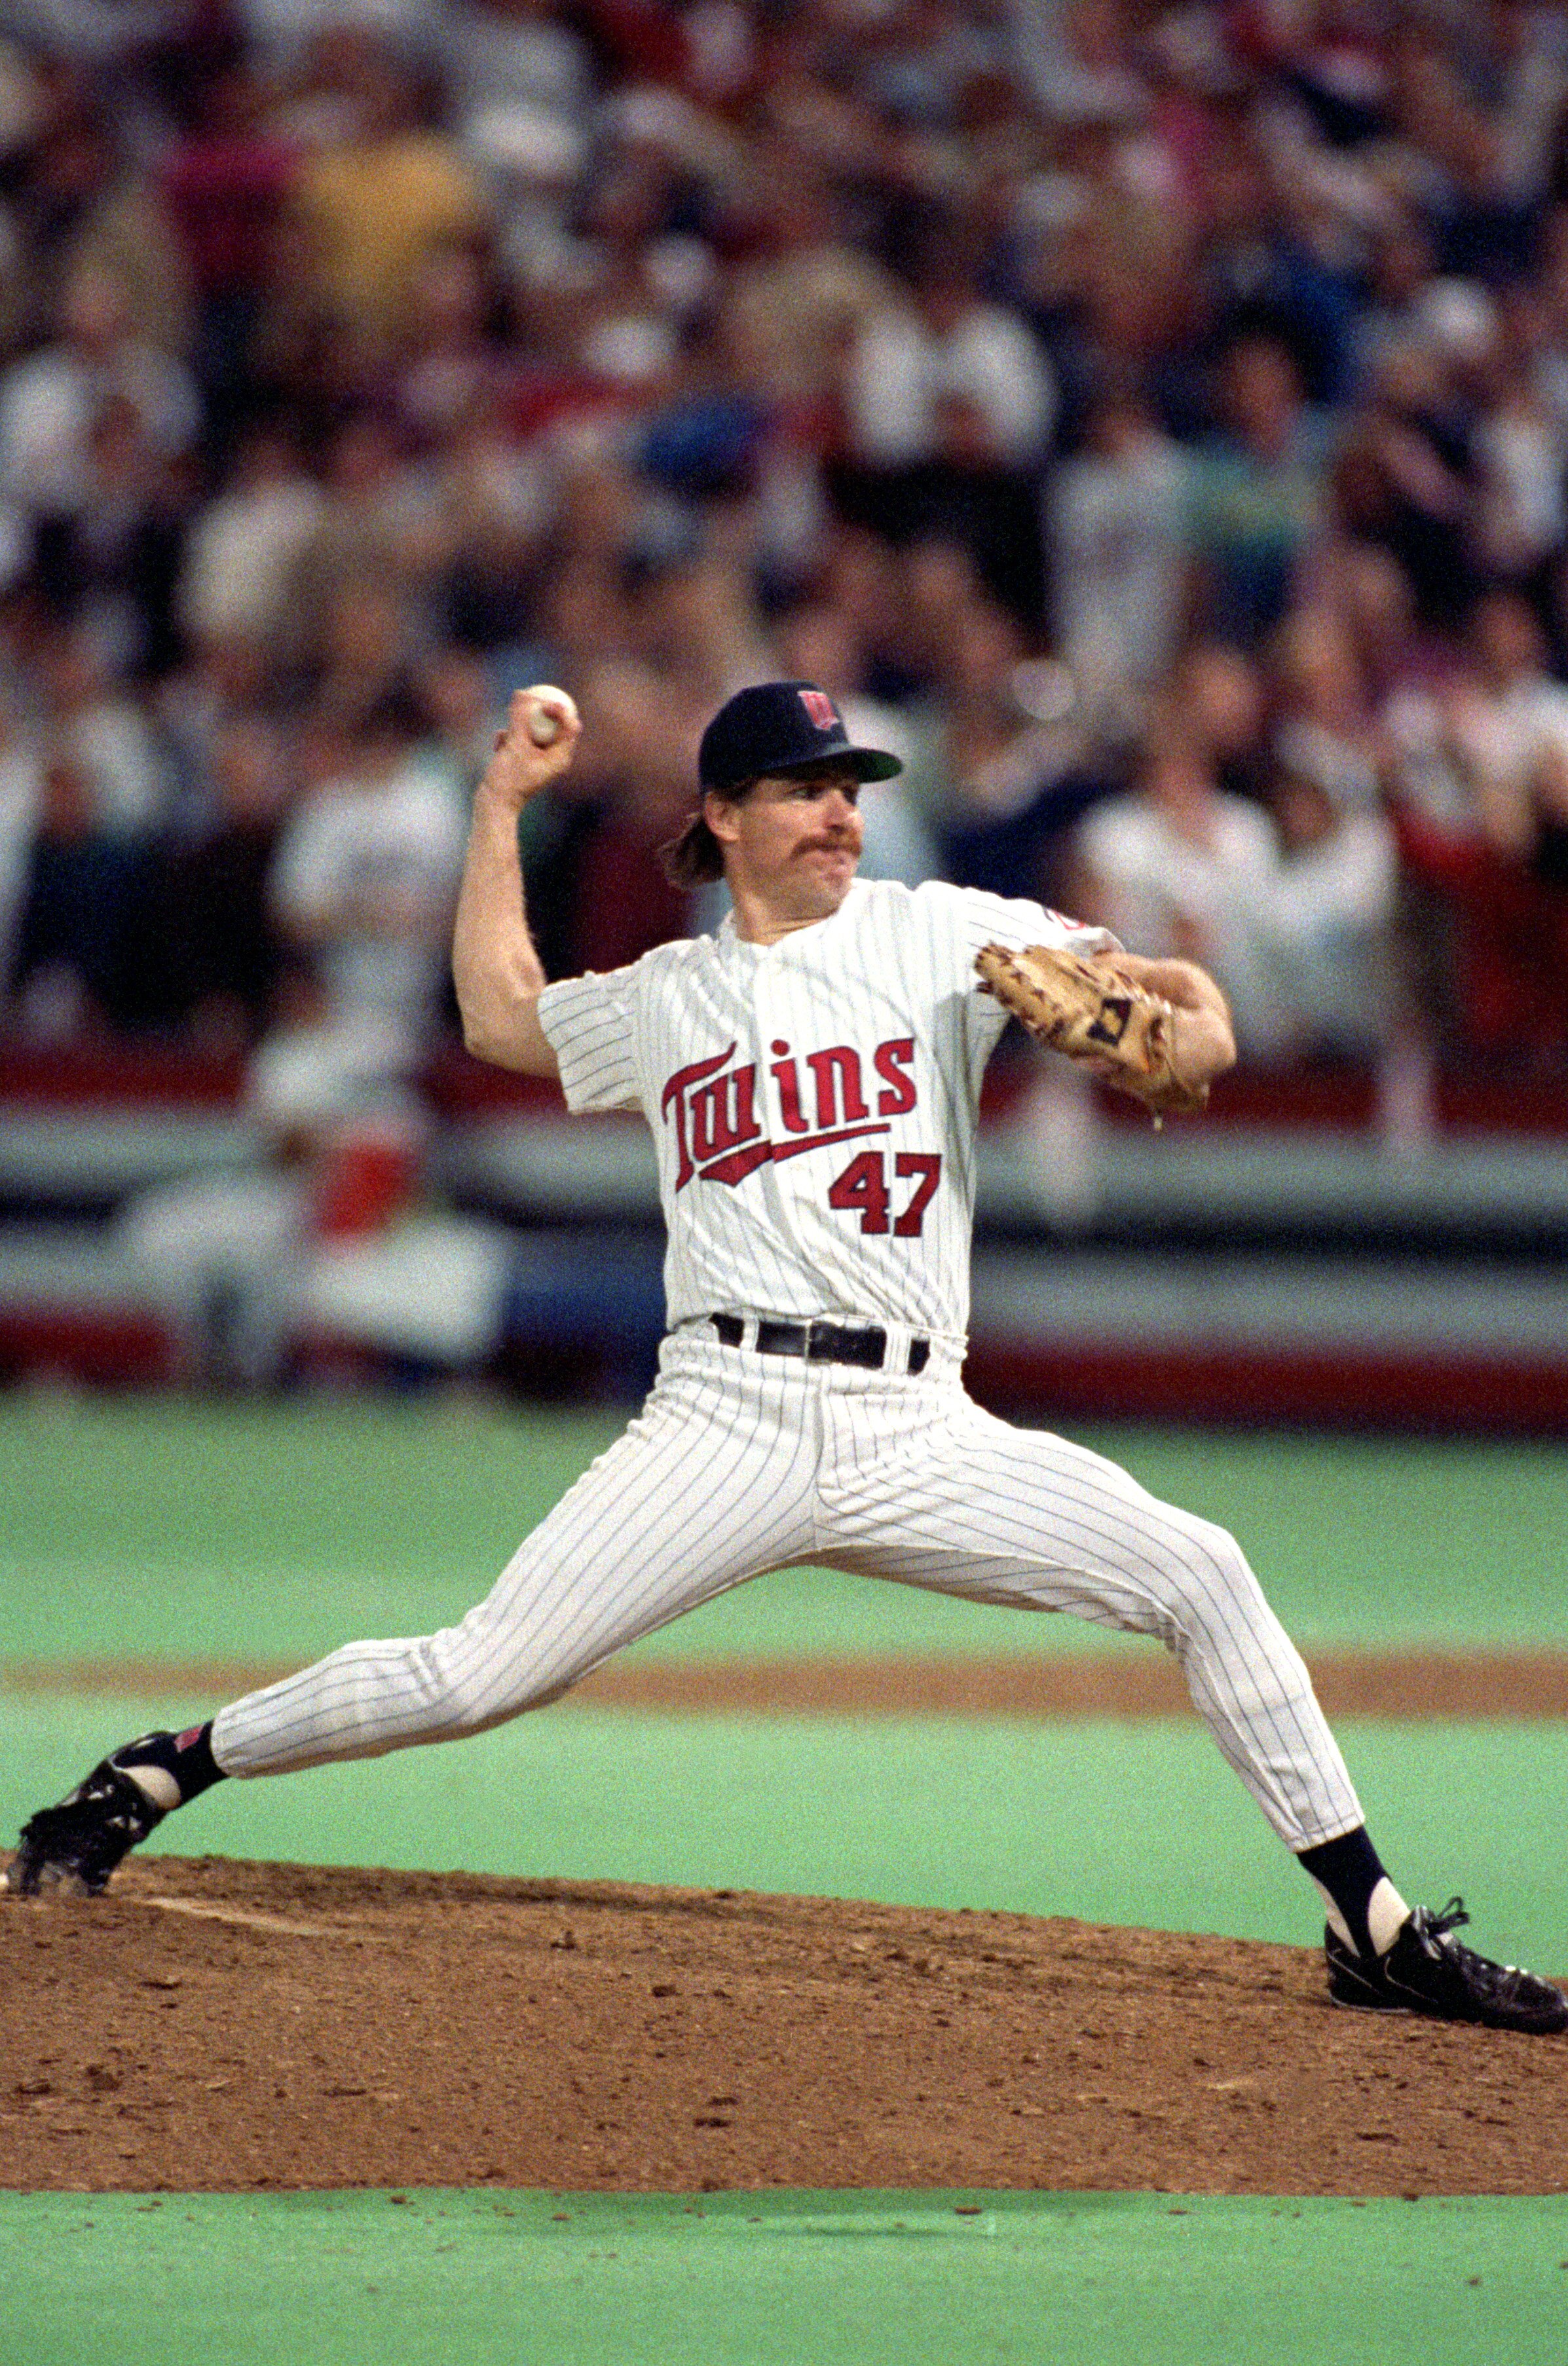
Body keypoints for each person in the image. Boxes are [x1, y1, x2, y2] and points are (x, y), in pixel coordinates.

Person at [5, 680, 1563, 2038]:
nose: (838, 814)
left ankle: (1373, 1929)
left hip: (916, 1424)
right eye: (805, 790)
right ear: (726, 819)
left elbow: (1194, 1011)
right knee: (479, 1673)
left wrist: (1179, 1039)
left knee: (1203, 1569)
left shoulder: (946, 932)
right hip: (724, 1418)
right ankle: (167, 1766)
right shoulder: (677, 996)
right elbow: (496, 1019)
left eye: (849, 788)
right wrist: (497, 808)